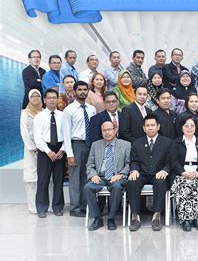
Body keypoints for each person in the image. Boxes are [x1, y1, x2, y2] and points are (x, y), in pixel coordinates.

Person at [128, 114, 172, 232]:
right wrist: (134, 170)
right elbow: (134, 160)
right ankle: (135, 217)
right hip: (142, 173)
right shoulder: (137, 143)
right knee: (132, 182)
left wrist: (164, 170)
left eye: (153, 125)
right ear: (143, 128)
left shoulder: (167, 142)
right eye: (147, 126)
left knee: (161, 182)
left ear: (158, 127)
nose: (150, 128)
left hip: (158, 173)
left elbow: (170, 161)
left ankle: (156, 216)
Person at [170, 116, 198, 231]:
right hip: (181, 174)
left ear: (196, 127)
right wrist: (183, 172)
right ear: (181, 128)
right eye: (186, 125)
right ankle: (186, 219)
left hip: (197, 173)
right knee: (186, 186)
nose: (189, 128)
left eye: (192, 125)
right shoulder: (176, 142)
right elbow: (174, 161)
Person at [84, 121, 130, 231]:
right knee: (87, 187)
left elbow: (129, 164)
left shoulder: (126, 145)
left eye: (109, 129)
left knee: (117, 187)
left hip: (117, 176)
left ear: (115, 130)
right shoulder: (96, 145)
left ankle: (111, 218)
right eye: (104, 130)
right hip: (101, 177)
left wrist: (121, 175)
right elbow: (90, 164)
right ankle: (97, 218)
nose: (107, 132)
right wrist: (93, 175)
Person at [62, 81, 97, 217]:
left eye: (85, 89)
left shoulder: (91, 109)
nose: (83, 92)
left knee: (86, 176)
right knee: (75, 177)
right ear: (75, 92)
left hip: (90, 145)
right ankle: (75, 207)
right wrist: (69, 154)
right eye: (80, 89)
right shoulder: (69, 110)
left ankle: (84, 205)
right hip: (76, 145)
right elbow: (66, 133)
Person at [33, 89, 66, 218]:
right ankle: (41, 207)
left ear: (57, 99)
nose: (52, 100)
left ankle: (57, 207)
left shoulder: (63, 115)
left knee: (59, 180)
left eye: (54, 97)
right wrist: (48, 151)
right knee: (43, 180)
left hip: (60, 150)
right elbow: (37, 137)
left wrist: (63, 149)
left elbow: (67, 134)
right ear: (45, 100)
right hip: (44, 151)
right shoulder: (39, 117)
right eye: (49, 98)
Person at [20, 89, 43, 213]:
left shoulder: (44, 112)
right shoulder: (25, 113)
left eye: (38, 96)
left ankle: (45, 203)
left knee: (44, 178)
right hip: (31, 150)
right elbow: (24, 131)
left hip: (44, 149)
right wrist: (32, 147)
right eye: (33, 96)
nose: (35, 98)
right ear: (29, 98)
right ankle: (32, 205)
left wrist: (42, 146)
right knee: (31, 178)